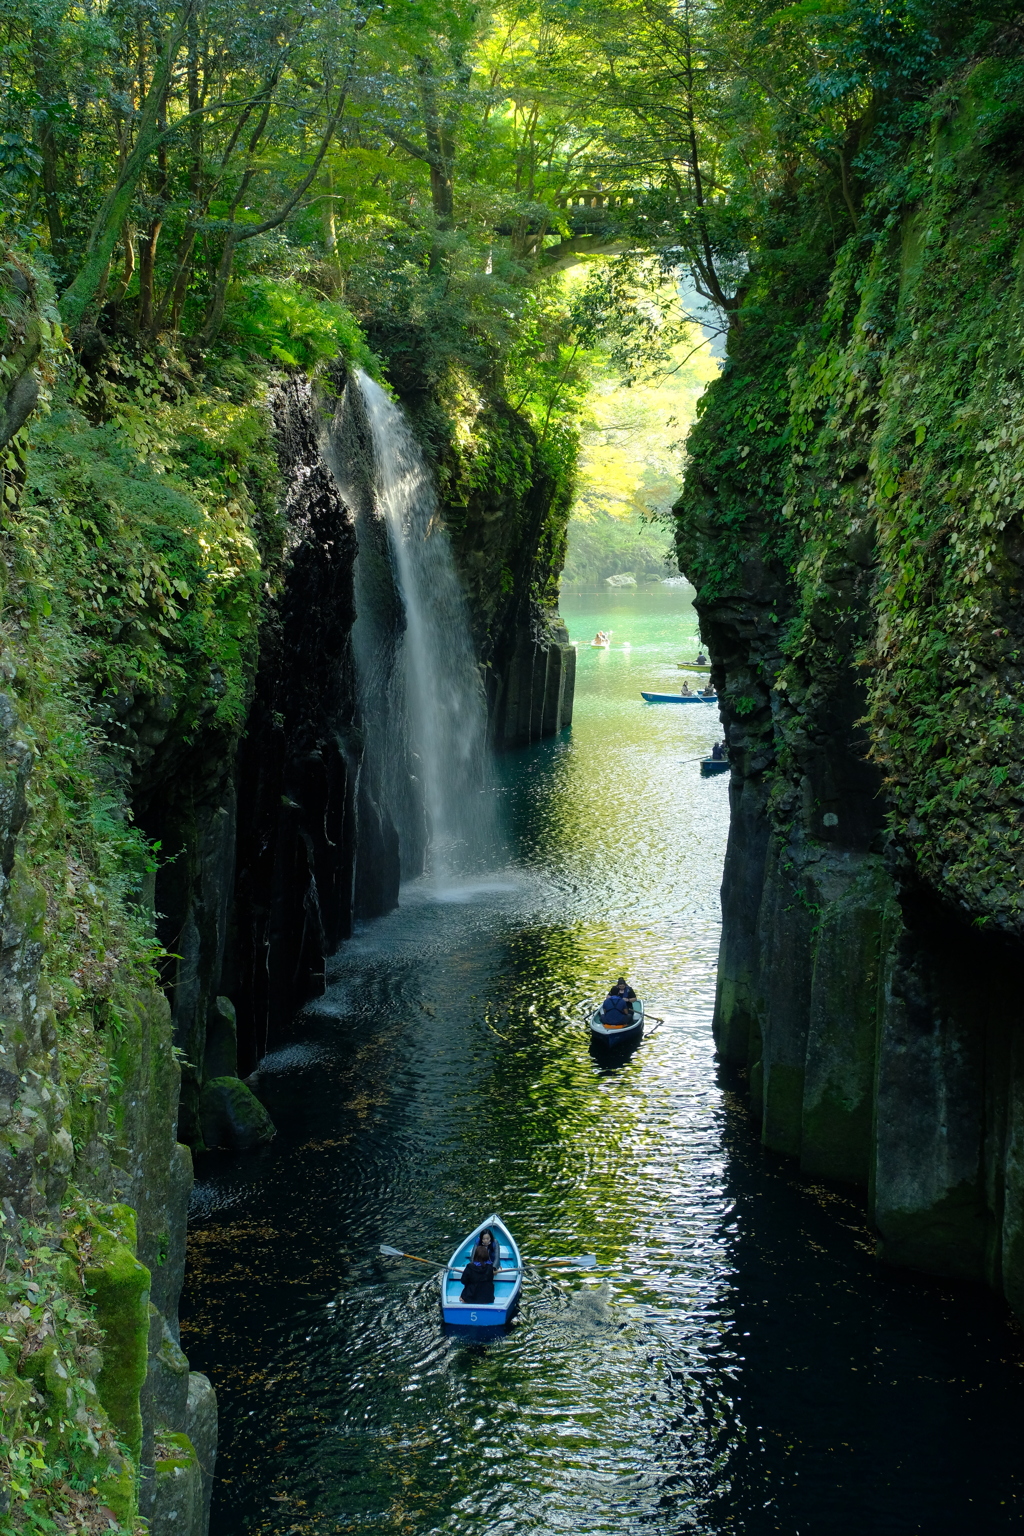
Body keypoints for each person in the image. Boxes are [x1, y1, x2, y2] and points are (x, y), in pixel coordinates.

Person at [460, 1227, 501, 1304]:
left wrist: (494, 1268)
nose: (485, 1241)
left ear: (490, 1238)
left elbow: (497, 1257)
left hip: (490, 1264)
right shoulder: (477, 1243)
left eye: (487, 1239)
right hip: (481, 1264)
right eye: (484, 1239)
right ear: (481, 1239)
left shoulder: (495, 1243)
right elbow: (473, 1257)